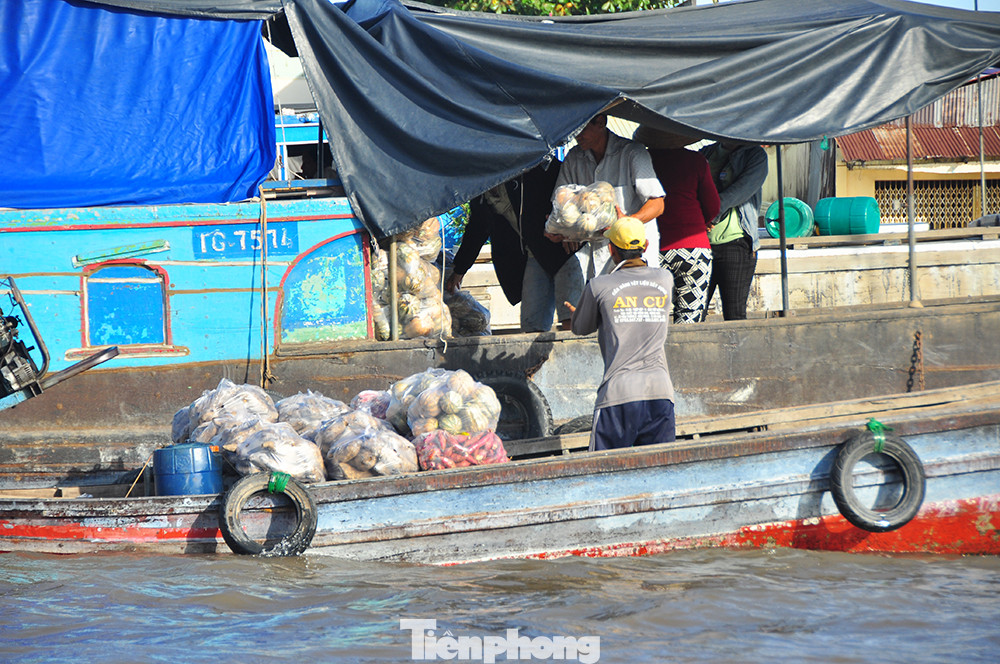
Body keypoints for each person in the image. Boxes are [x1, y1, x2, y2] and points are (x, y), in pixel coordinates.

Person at [566, 216, 676, 451]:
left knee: (604, 476)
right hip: (660, 392)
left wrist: (580, 312)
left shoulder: (599, 285)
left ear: (610, 249)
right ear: (645, 246)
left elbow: (581, 327)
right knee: (659, 473)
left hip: (618, 395)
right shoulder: (665, 279)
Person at [446, 162, 584, 332]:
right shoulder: (482, 192)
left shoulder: (531, 168)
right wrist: (460, 267)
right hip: (535, 254)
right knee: (532, 325)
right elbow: (478, 227)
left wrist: (571, 229)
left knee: (572, 317)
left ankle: (576, 355)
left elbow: (568, 192)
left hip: (566, 249)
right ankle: (539, 359)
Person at [552, 114, 666, 280]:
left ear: (600, 123)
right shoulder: (574, 158)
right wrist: (563, 227)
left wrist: (626, 223)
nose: (577, 136)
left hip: (633, 255)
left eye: (581, 130)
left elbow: (657, 204)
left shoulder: (633, 153)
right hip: (593, 256)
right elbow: (562, 199)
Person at [633, 126, 720, 324]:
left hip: (653, 249)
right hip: (694, 250)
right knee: (690, 319)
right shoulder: (696, 161)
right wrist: (702, 223)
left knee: (652, 317)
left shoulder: (642, 161)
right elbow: (713, 206)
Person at [700, 140, 768, 321]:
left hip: (736, 242)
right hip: (701, 243)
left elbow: (740, 191)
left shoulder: (755, 155)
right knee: (696, 313)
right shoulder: (705, 153)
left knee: (735, 314)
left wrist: (711, 214)